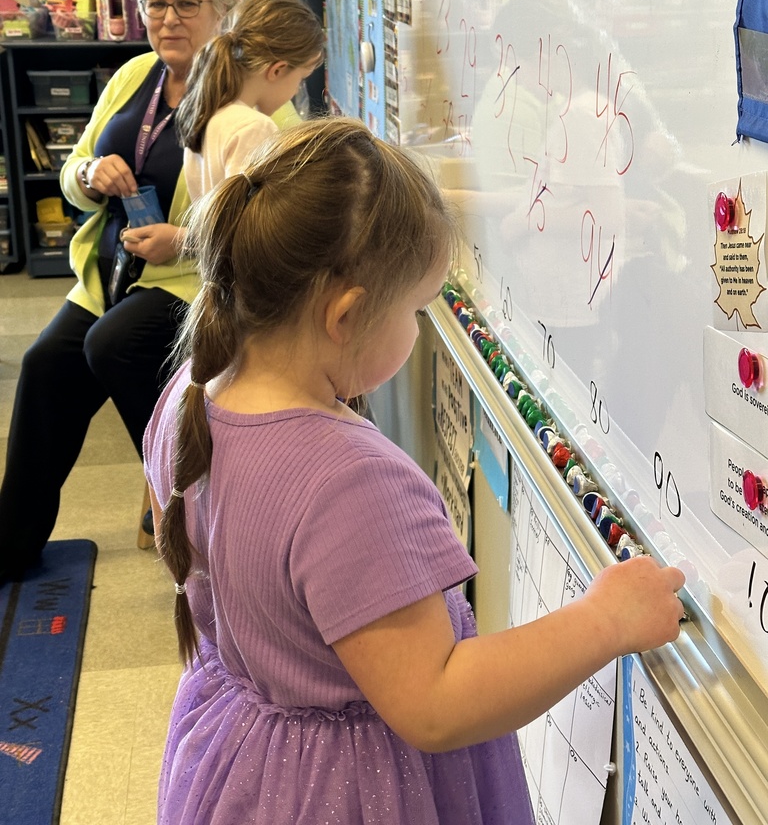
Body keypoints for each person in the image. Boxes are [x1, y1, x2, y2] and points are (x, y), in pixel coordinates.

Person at [143, 117, 685, 825]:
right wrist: (605, 620)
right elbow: (436, 702)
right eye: (417, 309)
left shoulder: (189, 393)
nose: (419, 326)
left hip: (238, 759)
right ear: (346, 315)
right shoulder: (349, 481)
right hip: (347, 793)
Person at [0, 0, 287, 582]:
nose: (168, 20)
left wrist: (183, 240)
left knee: (115, 345)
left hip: (196, 282)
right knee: (46, 366)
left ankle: (188, 518)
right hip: (111, 276)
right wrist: (88, 175)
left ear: (222, 11)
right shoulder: (136, 75)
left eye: (186, 5)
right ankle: (12, 547)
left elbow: (275, 219)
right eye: (156, 5)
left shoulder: (256, 95)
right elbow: (73, 171)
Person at [175, 0, 324, 202]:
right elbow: (253, 214)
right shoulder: (254, 128)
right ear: (277, 70)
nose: (296, 90)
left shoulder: (208, 114)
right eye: (301, 79)